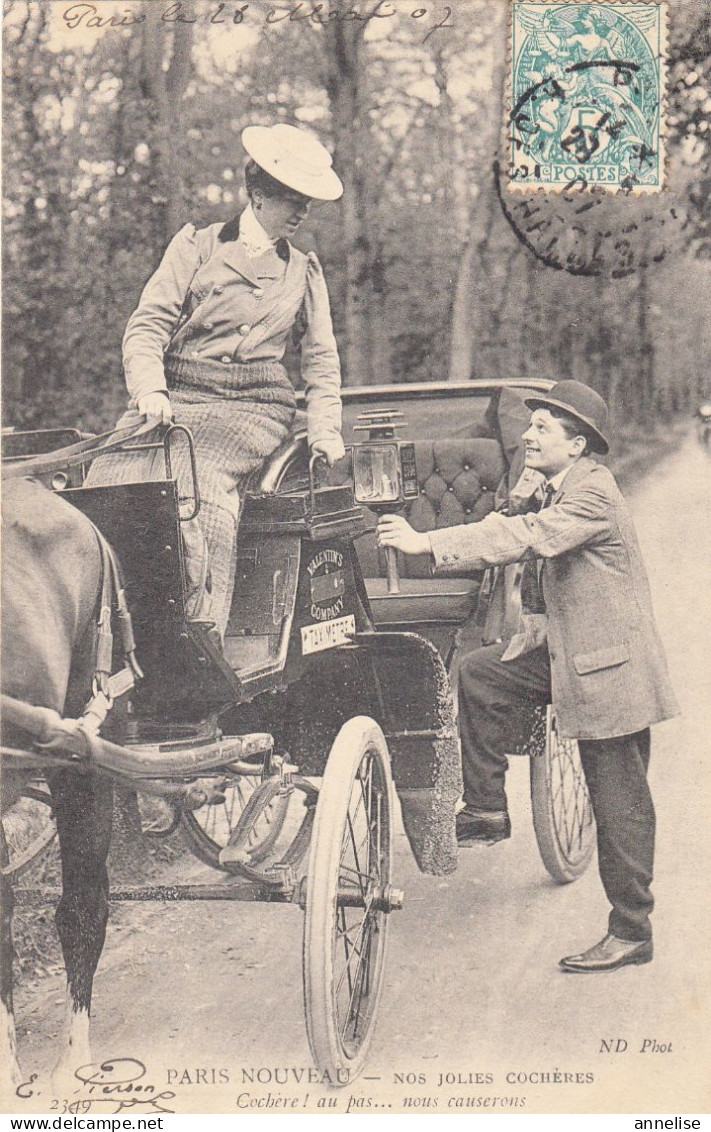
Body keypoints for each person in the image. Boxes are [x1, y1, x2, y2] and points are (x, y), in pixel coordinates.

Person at [377, 381, 679, 973]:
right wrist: (537, 617)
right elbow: (531, 541)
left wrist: (425, 543)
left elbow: (525, 540)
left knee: (619, 803)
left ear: (579, 444)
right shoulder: (554, 486)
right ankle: (488, 808)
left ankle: (632, 929)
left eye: (542, 428)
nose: (527, 435)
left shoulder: (593, 493)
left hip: (608, 668)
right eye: (530, 424)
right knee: (481, 673)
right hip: (569, 651)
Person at [87, 123, 345, 637]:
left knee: (194, 488)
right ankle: (107, 632)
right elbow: (148, 325)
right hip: (176, 396)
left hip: (253, 408)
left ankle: (199, 634)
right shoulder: (195, 247)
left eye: (307, 204)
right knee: (105, 481)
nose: (301, 213)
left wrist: (325, 430)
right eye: (293, 200)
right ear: (258, 195)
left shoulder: (303, 272)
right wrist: (150, 389)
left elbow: (321, 361)